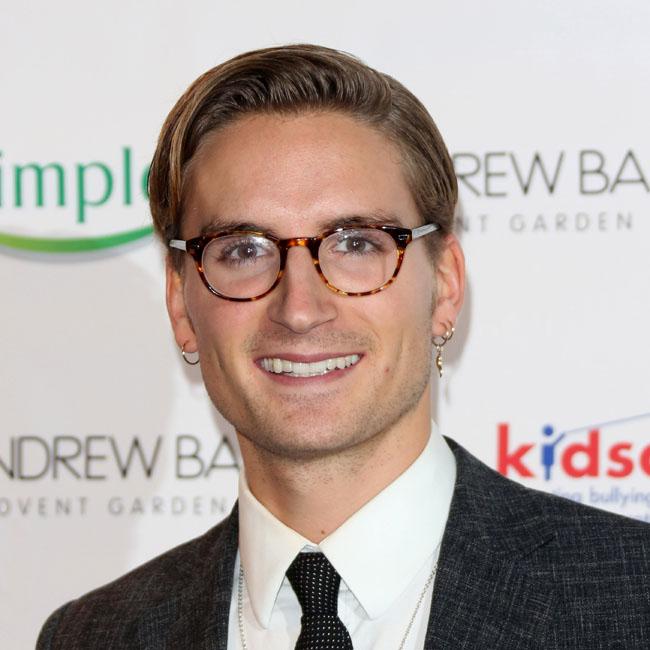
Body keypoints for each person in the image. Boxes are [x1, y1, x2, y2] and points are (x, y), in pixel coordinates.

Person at [38, 44, 650, 650]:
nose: (299, 309)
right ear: (181, 306)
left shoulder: (632, 600)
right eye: (243, 251)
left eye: (356, 244)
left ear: (444, 286)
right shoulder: (92, 636)